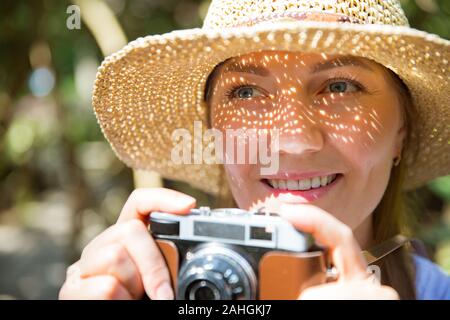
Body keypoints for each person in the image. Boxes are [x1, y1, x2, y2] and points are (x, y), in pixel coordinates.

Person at [59, 0, 450, 300]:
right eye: (246, 92)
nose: (293, 141)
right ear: (213, 129)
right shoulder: (148, 285)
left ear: (402, 128)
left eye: (340, 86)